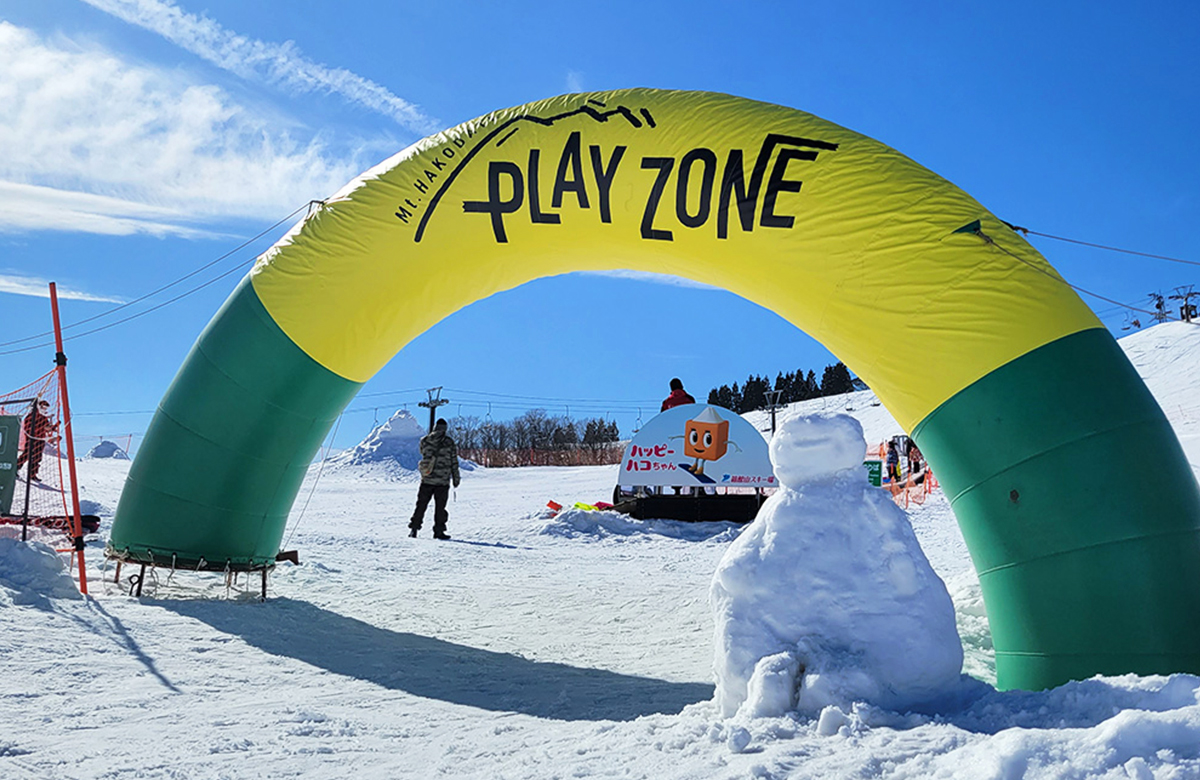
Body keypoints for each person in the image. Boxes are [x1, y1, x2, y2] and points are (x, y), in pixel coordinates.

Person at [409, 418, 461, 540]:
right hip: (442, 481)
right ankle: (439, 532)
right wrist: (456, 477)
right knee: (440, 508)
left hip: (427, 478)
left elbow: (423, 453)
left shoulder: (425, 440)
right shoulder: (449, 442)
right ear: (445, 429)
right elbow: (454, 461)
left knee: (421, 505)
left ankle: (414, 529)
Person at [16, 399, 58, 482]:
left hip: (40, 439)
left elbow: (46, 428)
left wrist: (52, 428)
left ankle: (32, 474)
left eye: (46, 408)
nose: (45, 410)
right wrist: (41, 429)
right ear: (38, 407)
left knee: (37, 457)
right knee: (26, 455)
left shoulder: (43, 418)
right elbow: (27, 428)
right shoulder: (31, 416)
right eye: (43, 407)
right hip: (31, 439)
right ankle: (15, 469)